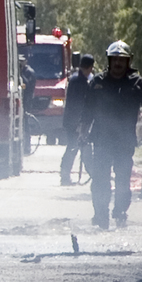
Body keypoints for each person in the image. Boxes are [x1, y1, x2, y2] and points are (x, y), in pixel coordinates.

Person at [87, 41, 142, 228]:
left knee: (123, 180)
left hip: (124, 141)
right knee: (100, 180)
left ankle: (121, 211)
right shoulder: (97, 82)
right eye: (114, 60)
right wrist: (81, 133)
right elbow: (86, 111)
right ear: (109, 60)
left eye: (121, 60)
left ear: (128, 62)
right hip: (101, 140)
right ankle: (100, 214)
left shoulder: (137, 83)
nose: (117, 64)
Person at [58, 51, 97, 185]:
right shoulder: (77, 81)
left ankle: (95, 176)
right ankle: (65, 175)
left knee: (84, 150)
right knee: (74, 148)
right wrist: (80, 124)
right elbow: (77, 104)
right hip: (75, 122)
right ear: (89, 67)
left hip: (80, 122)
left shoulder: (84, 80)